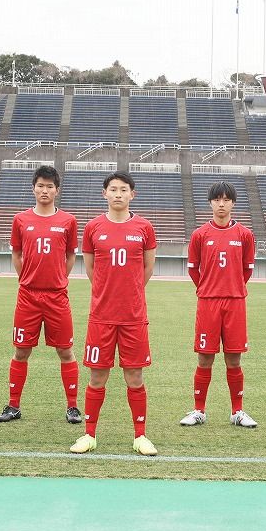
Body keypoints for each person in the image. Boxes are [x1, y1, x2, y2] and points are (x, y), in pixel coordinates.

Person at [71, 172, 157, 456]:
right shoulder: (93, 227)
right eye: (113, 189)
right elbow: (91, 270)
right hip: (102, 316)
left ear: (133, 194)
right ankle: (89, 434)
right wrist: (108, 294)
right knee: (97, 377)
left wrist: (129, 293)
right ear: (104, 194)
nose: (118, 194)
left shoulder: (144, 227)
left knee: (135, 377)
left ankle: (140, 436)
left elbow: (146, 269)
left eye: (123, 190)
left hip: (133, 316)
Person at [0, 166, 82, 425]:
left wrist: (57, 279)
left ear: (57, 190)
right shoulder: (21, 219)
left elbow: (70, 256)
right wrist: (28, 278)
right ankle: (13, 406)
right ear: (33, 187)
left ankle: (73, 407)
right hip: (28, 297)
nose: (45, 190)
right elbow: (17, 255)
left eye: (50, 186)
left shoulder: (68, 220)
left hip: (57, 296)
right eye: (40, 185)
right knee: (21, 351)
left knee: (65, 351)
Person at [179, 181, 258, 429]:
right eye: (217, 200)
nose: (221, 204)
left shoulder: (244, 234)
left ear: (233, 203)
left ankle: (238, 412)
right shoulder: (200, 234)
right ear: (211, 203)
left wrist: (231, 287)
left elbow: (247, 270)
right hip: (208, 303)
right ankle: (199, 410)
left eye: (226, 200)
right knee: (205, 359)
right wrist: (208, 288)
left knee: (234, 360)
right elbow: (193, 270)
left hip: (235, 303)